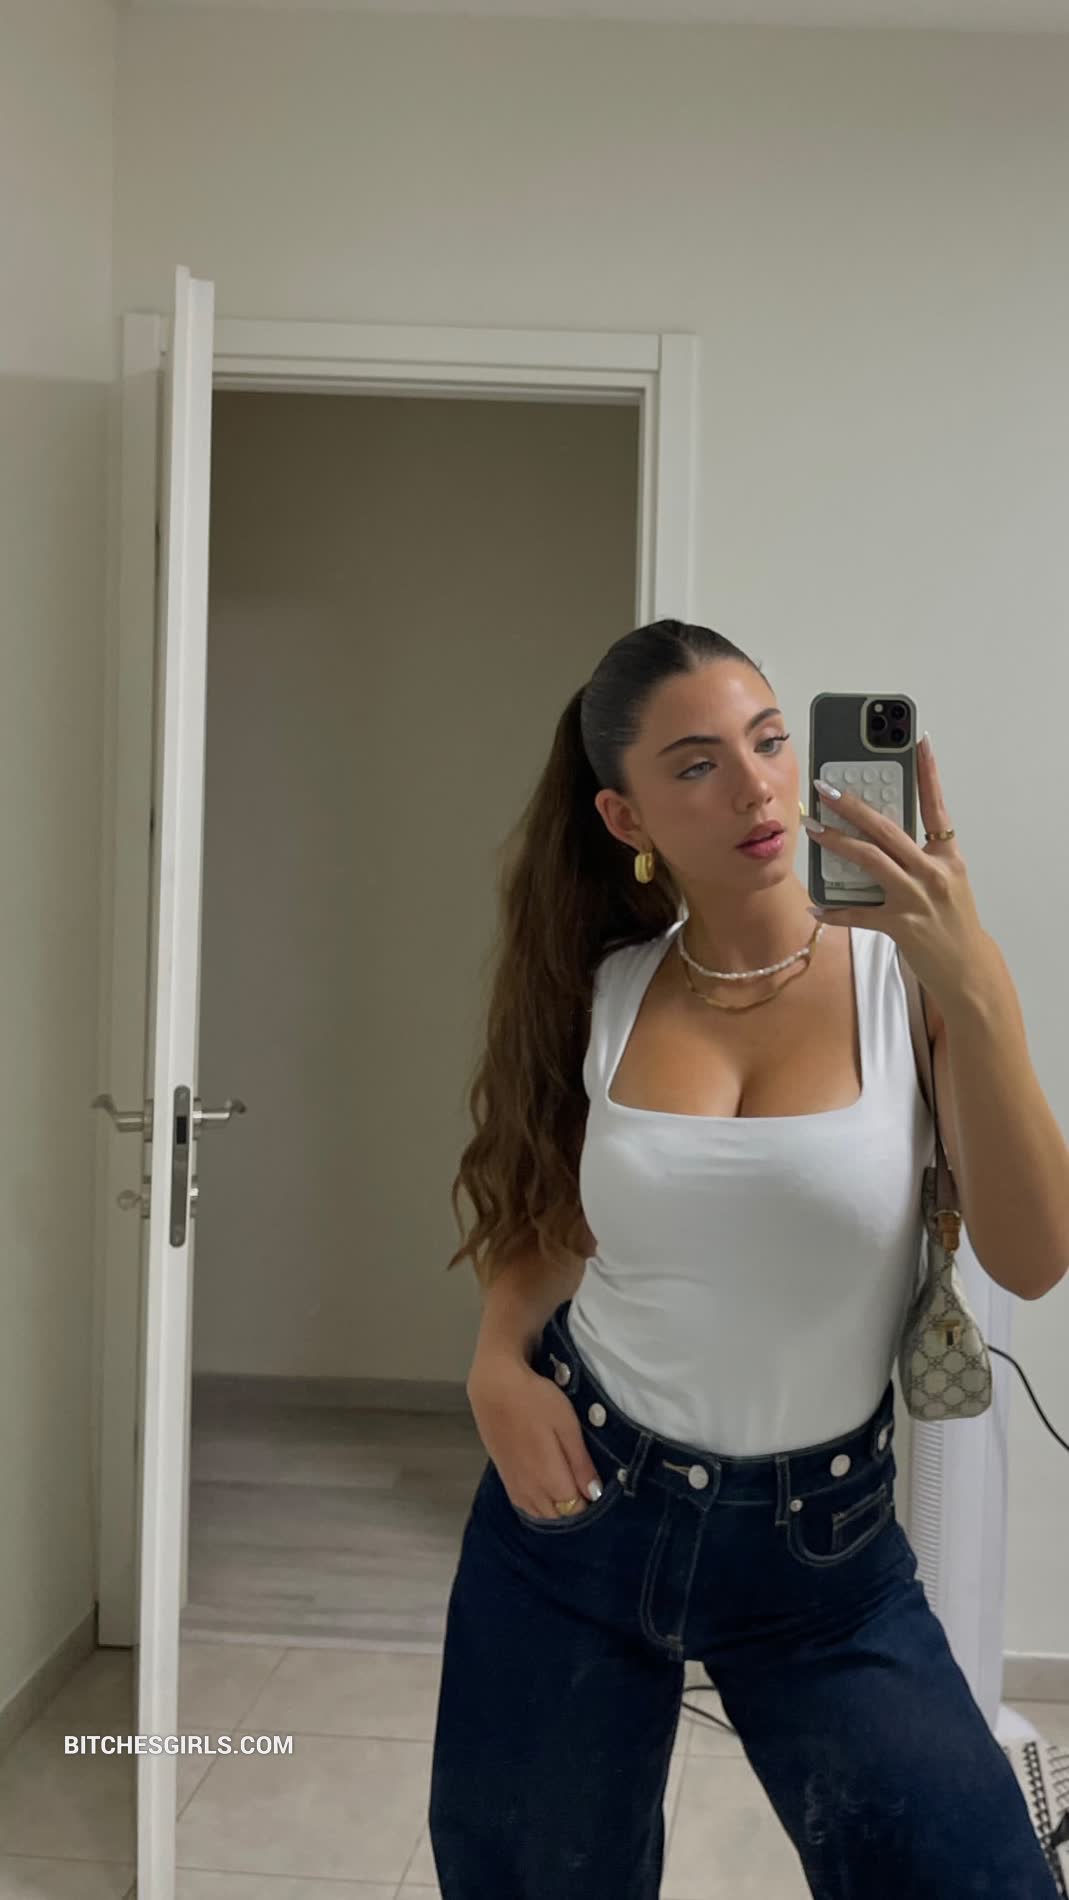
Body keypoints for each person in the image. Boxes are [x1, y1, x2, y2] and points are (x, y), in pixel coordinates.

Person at [427, 619, 1058, 1900]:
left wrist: (976, 983)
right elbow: (546, 1212)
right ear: (626, 815)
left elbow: (1034, 1254)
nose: (758, 787)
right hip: (576, 1516)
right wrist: (495, 1361)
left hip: (821, 1555)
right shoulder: (602, 987)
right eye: (698, 764)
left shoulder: (907, 981)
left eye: (769, 742)